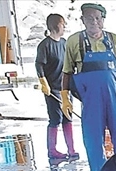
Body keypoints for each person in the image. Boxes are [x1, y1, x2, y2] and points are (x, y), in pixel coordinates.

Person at [61, 3, 116, 171]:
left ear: (103, 20)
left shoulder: (113, 40)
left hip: (115, 99)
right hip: (91, 100)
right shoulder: (74, 41)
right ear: (82, 20)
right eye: (89, 18)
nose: (94, 22)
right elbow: (67, 72)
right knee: (93, 141)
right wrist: (65, 97)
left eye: (97, 18)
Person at [36, 13, 78, 160]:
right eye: (62, 24)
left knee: (68, 117)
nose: (64, 26)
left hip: (65, 88)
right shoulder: (45, 45)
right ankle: (52, 150)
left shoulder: (64, 43)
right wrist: (43, 82)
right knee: (55, 119)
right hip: (52, 89)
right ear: (54, 25)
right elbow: (39, 64)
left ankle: (71, 149)